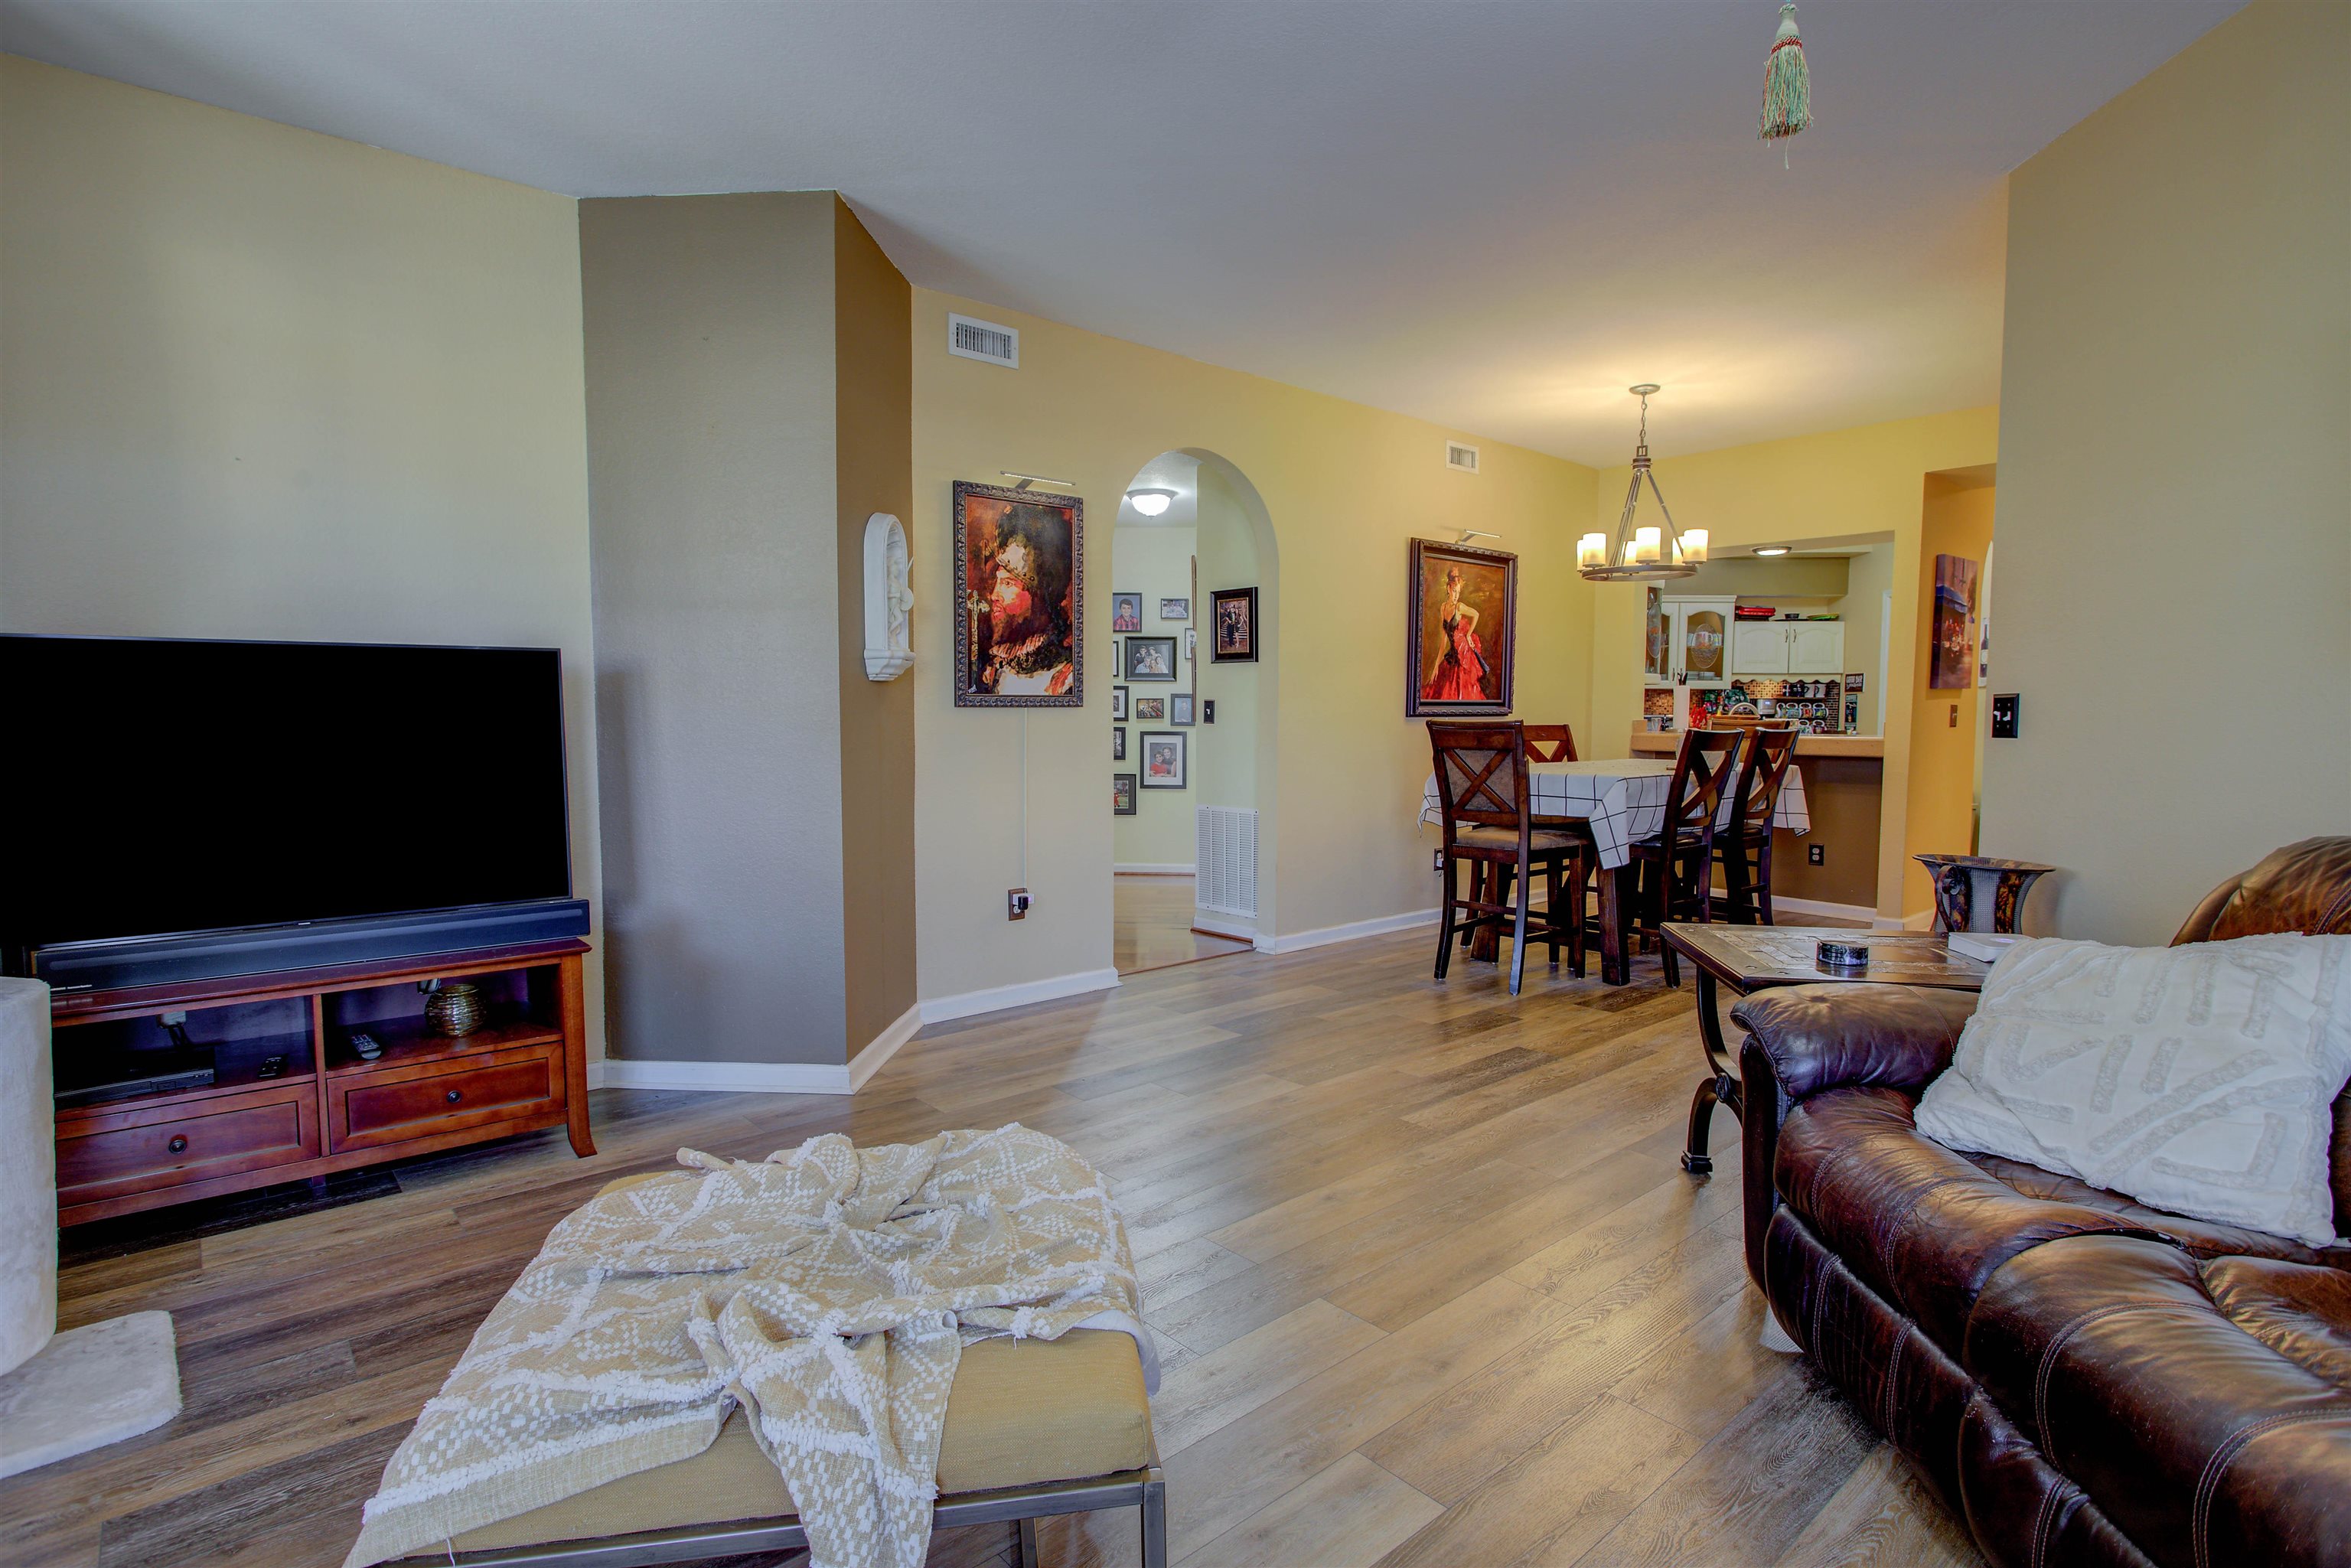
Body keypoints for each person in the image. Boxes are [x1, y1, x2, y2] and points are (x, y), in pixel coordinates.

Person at [1420, 564, 1489, 701]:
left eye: (1459, 592)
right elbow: (1443, 639)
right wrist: (1435, 666)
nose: (1456, 595)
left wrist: (1469, 634)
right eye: (1454, 591)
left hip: (1463, 653)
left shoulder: (1460, 607)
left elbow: (1476, 614)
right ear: (1448, 588)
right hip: (1452, 654)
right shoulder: (1443, 608)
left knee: (1464, 689)